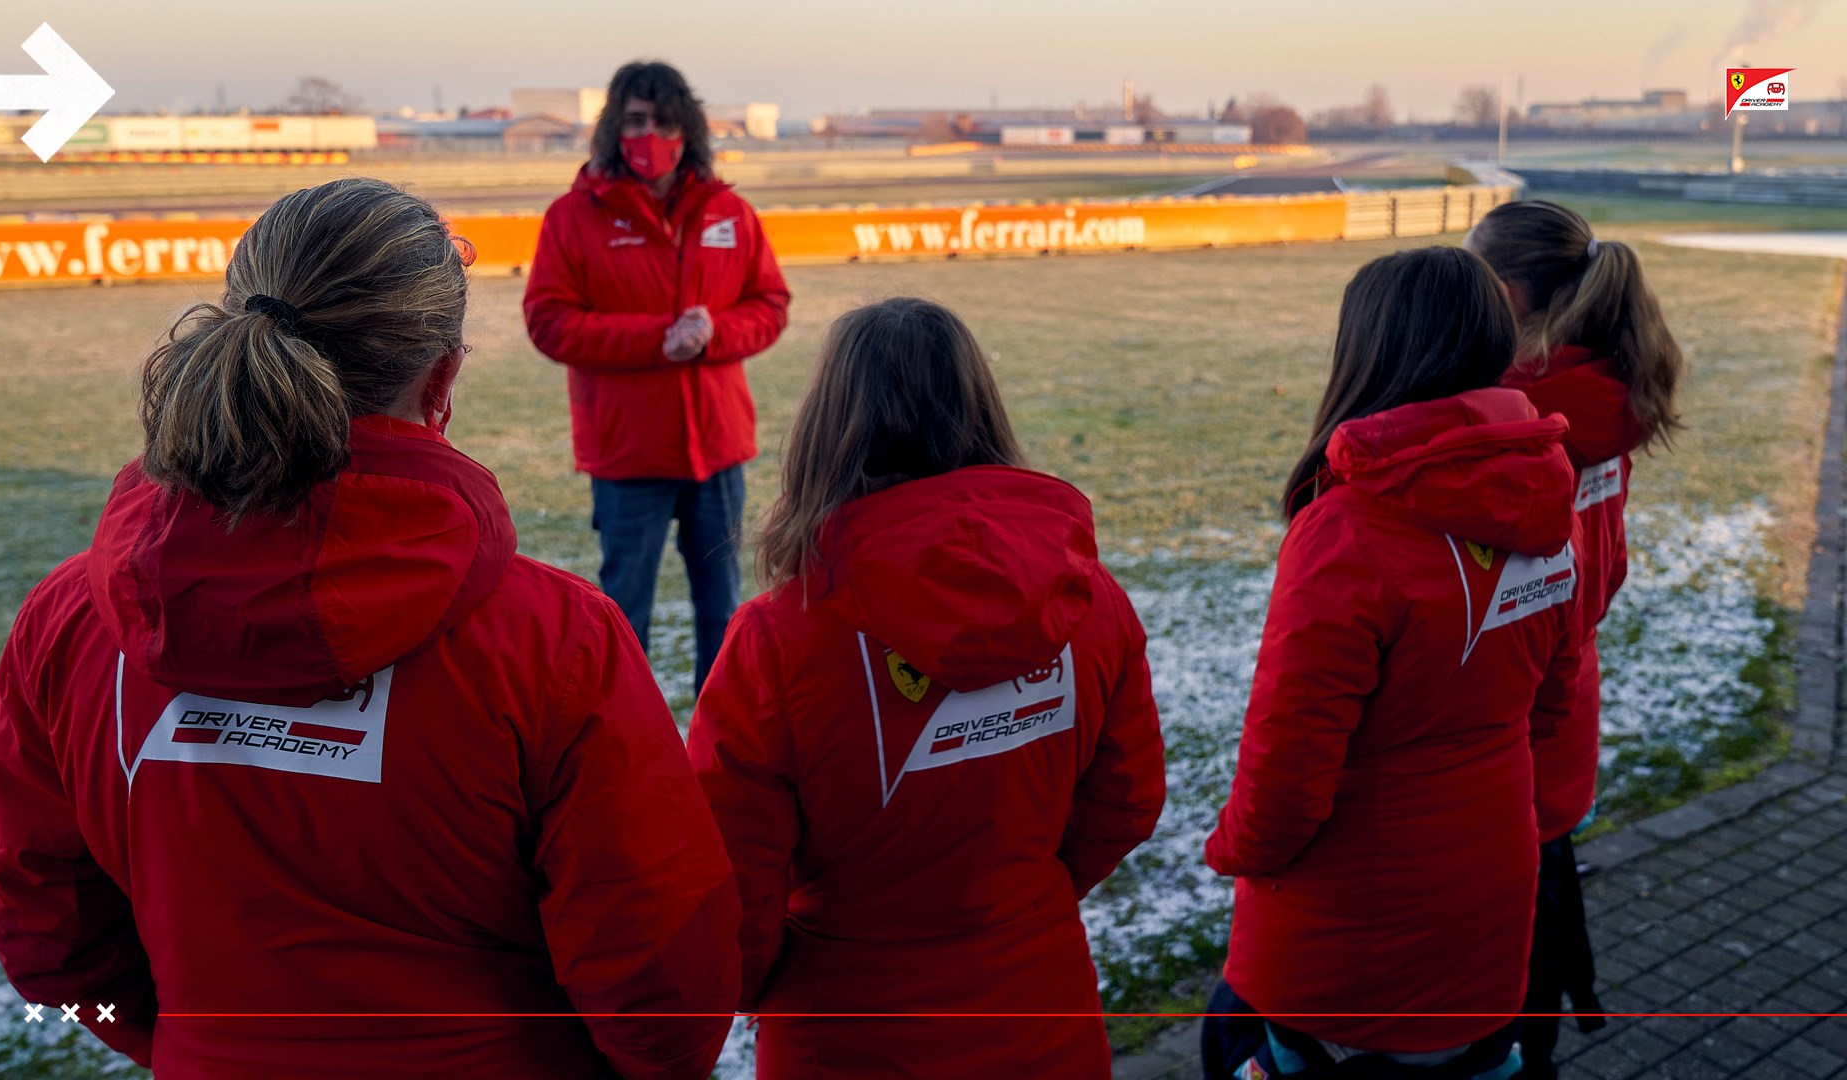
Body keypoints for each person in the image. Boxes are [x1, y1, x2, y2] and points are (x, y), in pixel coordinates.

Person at [0, 178, 742, 1079]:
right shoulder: (554, 643)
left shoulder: (68, 623)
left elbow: (51, 941)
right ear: (445, 373)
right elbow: (661, 975)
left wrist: (200, 1042)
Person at [686, 297, 1165, 1079]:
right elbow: (1130, 798)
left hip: (849, 1030)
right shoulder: (1089, 600)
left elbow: (728, 886)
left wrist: (759, 985)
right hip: (1043, 1016)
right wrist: (1020, 900)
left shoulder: (778, 642)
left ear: (825, 431)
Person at [1200, 247, 1586, 1080]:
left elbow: (1288, 772)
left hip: (1348, 934)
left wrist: (1231, 850)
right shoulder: (1549, 496)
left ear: (1369, 351)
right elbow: (1555, 703)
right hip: (1489, 887)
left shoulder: (1348, 530)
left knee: (1224, 1039)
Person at [1466, 200, 1685, 1077]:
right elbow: (1609, 567)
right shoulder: (1600, 394)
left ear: (1510, 294)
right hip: (1566, 705)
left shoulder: (1517, 415)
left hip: (1503, 725)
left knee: (1491, 957)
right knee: (1537, 929)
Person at [524, 60, 791, 693]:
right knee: (623, 616)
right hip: (627, 454)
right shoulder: (573, 216)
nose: (652, 136)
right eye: (638, 120)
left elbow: (770, 305)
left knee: (723, 613)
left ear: (689, 129)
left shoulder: (729, 211)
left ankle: (721, 742)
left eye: (666, 122)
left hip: (717, 451)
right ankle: (624, 747)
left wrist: (714, 336)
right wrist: (657, 341)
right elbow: (549, 322)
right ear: (614, 127)